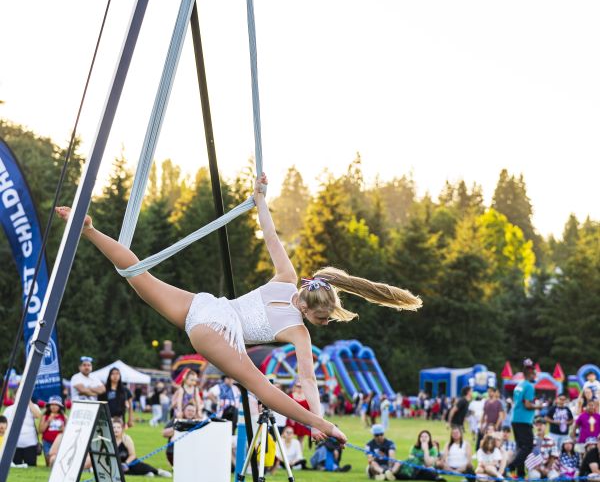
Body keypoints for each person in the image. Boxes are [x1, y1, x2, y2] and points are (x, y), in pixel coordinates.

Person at [56, 176, 421, 445]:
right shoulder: (298, 331)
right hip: (215, 330)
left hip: (206, 306)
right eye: (323, 319)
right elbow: (307, 381)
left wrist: (260, 199)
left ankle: (88, 230)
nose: (323, 325)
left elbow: (271, 235)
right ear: (309, 309)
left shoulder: (287, 278)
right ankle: (324, 428)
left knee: (138, 275)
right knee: (260, 385)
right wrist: (319, 420)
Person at [510, 358, 543, 478]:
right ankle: (511, 466)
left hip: (515, 419)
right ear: (531, 374)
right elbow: (528, 405)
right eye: (535, 373)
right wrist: (539, 406)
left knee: (520, 447)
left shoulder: (519, 385)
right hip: (524, 420)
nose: (536, 375)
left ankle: (520, 473)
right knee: (528, 446)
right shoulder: (529, 386)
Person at [162, 401, 204, 466]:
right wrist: (178, 427)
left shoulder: (197, 422)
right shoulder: (176, 420)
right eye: (189, 410)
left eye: (193, 411)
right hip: (174, 452)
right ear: (184, 411)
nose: (190, 413)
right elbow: (164, 434)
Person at [3, 396, 41, 466]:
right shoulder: (8, 409)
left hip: (30, 444)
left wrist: (29, 401)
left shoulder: (33, 407)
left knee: (31, 465)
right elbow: (4, 425)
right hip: (14, 445)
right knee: (16, 465)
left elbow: (38, 415)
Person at [39, 396, 67, 466]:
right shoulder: (45, 416)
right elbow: (41, 430)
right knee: (48, 461)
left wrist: (63, 429)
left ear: (60, 406)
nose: (54, 407)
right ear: (49, 406)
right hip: (47, 442)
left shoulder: (64, 417)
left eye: (56, 405)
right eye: (52, 404)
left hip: (58, 442)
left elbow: (67, 432)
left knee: (55, 460)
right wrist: (48, 421)